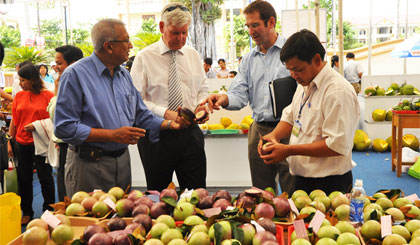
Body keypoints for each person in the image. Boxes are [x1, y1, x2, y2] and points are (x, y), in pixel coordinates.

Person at [54, 18, 187, 197]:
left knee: (121, 220)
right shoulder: (75, 75)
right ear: (109, 46)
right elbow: (64, 127)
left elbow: (141, 115)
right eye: (126, 40)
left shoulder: (123, 75)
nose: (130, 45)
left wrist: (171, 124)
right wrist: (112, 135)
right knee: (91, 221)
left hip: (122, 162)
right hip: (89, 165)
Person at [200, 0, 295, 195]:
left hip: (289, 131)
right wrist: (224, 99)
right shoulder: (249, 59)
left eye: (255, 25)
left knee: (292, 191)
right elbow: (239, 94)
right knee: (261, 193)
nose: (251, 31)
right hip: (259, 129)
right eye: (248, 26)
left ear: (270, 22)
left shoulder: (291, 52)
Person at [258, 29, 360, 195]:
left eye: (297, 69)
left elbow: (335, 145)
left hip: (330, 184)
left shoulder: (337, 92)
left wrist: (289, 150)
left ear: (317, 60)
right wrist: (274, 136)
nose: (293, 75)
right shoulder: (305, 82)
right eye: (289, 69)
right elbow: (291, 115)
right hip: (303, 179)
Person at [130, 2, 209, 191]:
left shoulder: (192, 55)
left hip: (190, 135)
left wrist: (202, 106)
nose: (181, 38)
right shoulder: (144, 57)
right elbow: (136, 101)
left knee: (197, 193)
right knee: (159, 196)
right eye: (175, 33)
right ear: (162, 27)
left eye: (184, 32)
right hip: (156, 136)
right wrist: (166, 113)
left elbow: (202, 89)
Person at [8, 64, 55, 225]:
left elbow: (54, 120)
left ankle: (48, 209)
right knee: (24, 178)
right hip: (22, 143)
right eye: (19, 80)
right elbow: (14, 120)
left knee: (45, 177)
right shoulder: (19, 96)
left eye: (23, 80)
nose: (20, 83)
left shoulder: (48, 95)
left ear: (33, 80)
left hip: (41, 143)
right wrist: (10, 141)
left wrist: (36, 125)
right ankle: (26, 211)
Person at [47, 45, 83, 201]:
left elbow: (55, 114)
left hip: (73, 145)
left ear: (73, 63)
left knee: (68, 190)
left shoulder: (71, 83)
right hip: (67, 143)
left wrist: (55, 93)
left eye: (59, 63)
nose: (56, 67)